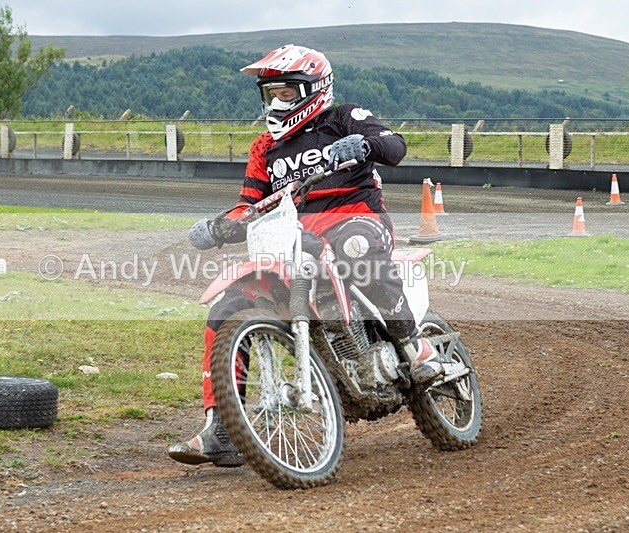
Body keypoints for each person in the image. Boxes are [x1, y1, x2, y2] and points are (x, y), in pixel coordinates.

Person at [168, 44, 442, 467]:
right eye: (273, 93)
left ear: (314, 88)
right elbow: (250, 204)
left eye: (287, 92)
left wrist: (361, 146)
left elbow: (394, 145)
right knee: (227, 307)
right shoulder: (264, 147)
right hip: (293, 236)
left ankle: (414, 346)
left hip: (356, 217)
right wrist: (220, 227)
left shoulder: (343, 117)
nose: (279, 100)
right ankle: (221, 429)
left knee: (356, 250)